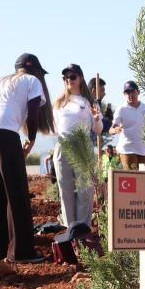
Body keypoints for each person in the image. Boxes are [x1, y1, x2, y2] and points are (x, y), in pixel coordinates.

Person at [0, 53, 55, 263]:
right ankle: (21, 252)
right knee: (16, 192)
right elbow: (33, 113)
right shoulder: (33, 80)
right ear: (36, 69)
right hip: (3, 131)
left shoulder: (0, 81)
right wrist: (31, 138)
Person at [52, 63, 103, 227]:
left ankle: (82, 229)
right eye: (65, 77)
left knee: (85, 190)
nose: (69, 80)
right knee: (65, 190)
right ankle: (70, 229)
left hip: (83, 145)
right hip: (63, 145)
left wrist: (96, 119)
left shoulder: (89, 102)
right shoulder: (59, 102)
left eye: (72, 77)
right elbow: (53, 128)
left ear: (80, 78)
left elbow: (98, 129)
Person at [110, 80, 145, 170]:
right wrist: (116, 130)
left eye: (132, 91)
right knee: (132, 179)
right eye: (127, 92)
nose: (130, 94)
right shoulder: (121, 109)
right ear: (124, 94)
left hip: (144, 149)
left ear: (138, 92)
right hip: (127, 149)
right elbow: (111, 129)